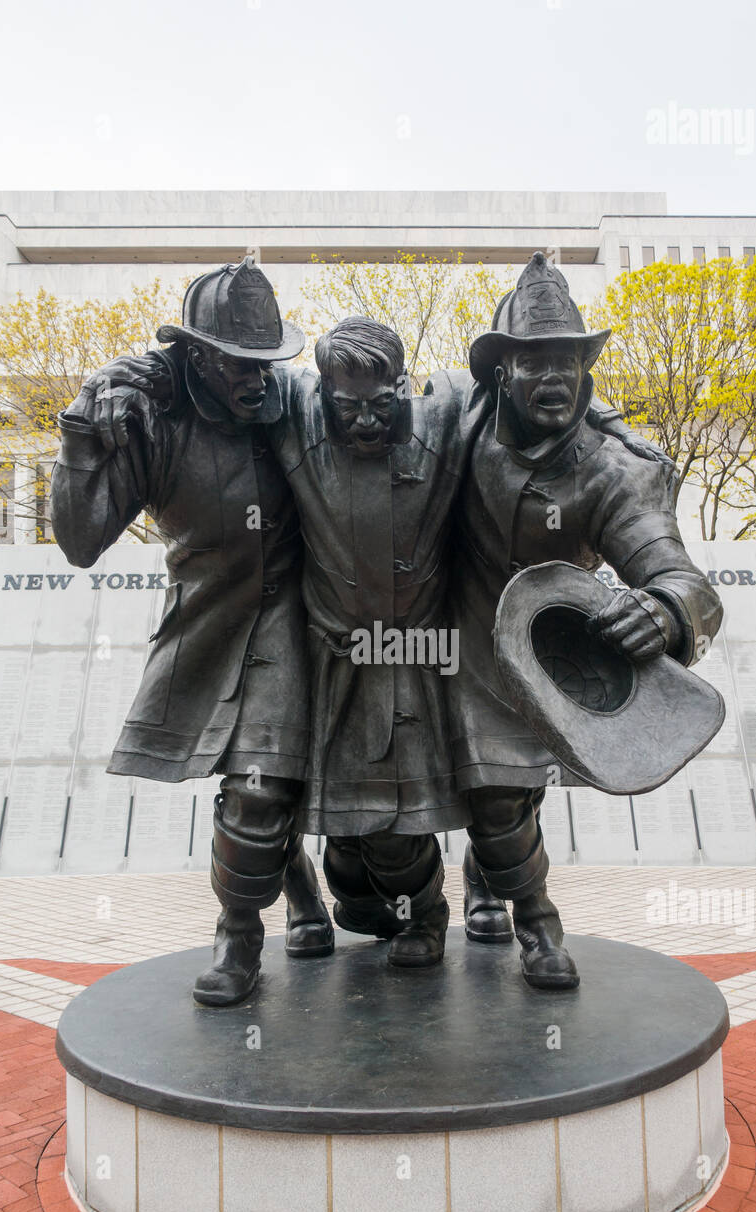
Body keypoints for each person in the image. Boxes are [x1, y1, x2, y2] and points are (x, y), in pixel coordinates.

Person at [52, 256, 333, 1007]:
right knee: (253, 777)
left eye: (266, 360)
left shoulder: (297, 401)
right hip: (209, 614)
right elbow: (80, 542)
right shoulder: (149, 415)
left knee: (262, 779)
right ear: (195, 354)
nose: (255, 376)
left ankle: (242, 924)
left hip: (303, 616)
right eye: (236, 360)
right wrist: (85, 434)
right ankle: (264, 912)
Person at [442, 253, 724, 989]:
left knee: (514, 789)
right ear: (500, 371)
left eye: (566, 360)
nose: (554, 378)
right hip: (457, 631)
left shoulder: (616, 468)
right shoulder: (453, 416)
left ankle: (490, 886)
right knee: (497, 791)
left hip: (550, 651)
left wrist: (661, 611)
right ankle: (536, 920)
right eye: (534, 362)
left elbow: (677, 575)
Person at [267, 316, 480, 968]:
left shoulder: (442, 418)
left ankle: (429, 916)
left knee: (393, 819)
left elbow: (527, 390)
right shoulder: (296, 418)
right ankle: (351, 905)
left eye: (379, 404)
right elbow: (228, 373)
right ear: (324, 393)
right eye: (346, 406)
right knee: (338, 836)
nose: (362, 421)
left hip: (408, 658)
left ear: (403, 385)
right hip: (323, 658)